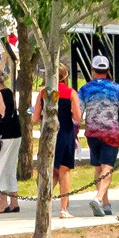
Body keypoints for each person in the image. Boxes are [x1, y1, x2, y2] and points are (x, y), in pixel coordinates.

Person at [79, 54, 119, 217]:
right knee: (107, 167)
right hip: (110, 132)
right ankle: (99, 198)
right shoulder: (116, 89)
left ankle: (106, 204)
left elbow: (78, 112)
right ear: (108, 70)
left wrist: (75, 131)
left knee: (98, 167)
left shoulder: (85, 89)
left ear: (92, 70)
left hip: (92, 132)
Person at [33, 68, 84, 220]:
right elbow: (77, 116)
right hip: (65, 132)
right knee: (64, 170)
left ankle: (43, 202)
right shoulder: (70, 93)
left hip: (48, 134)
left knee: (51, 169)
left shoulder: (43, 93)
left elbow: (35, 117)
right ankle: (63, 208)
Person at [0, 68, 24, 214]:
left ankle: (3, 202)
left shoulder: (1, 93)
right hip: (15, 134)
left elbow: (3, 117)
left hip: (6, 136)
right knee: (10, 167)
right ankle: (14, 201)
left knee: (0, 167)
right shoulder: (8, 92)